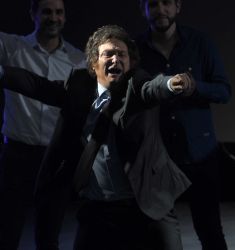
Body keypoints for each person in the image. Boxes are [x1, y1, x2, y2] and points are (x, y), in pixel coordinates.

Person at [0, 24, 195, 250]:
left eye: (121, 54)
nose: (115, 59)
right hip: (99, 206)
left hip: (146, 203)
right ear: (94, 63)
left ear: (130, 63)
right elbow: (40, 87)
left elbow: (153, 88)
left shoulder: (138, 83)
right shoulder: (80, 85)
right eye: (107, 54)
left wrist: (172, 84)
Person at [135, 1, 231, 250]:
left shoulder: (200, 43)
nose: (160, 10)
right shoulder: (135, 49)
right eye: (153, 4)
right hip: (157, 157)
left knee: (210, 232)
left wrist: (194, 87)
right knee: (157, 237)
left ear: (178, 6)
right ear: (143, 9)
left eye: (167, 3)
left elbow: (224, 91)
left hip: (200, 153)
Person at [0, 0, 85, 249]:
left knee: (48, 236)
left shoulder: (77, 60)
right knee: (6, 232)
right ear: (33, 14)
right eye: (46, 11)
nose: (53, 17)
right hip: (17, 154)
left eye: (59, 12)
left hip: (55, 158)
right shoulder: (12, 47)